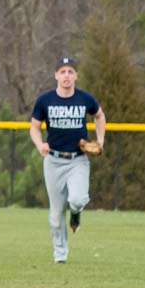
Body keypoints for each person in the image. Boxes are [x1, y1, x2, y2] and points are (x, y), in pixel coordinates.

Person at [29, 56, 107, 264]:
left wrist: (100, 141)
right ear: (56, 75)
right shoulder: (45, 100)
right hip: (53, 161)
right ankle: (60, 255)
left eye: (70, 72)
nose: (66, 76)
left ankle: (75, 213)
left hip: (77, 160)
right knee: (55, 216)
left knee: (77, 199)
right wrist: (40, 145)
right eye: (62, 71)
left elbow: (99, 116)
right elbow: (34, 127)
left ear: (76, 76)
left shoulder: (84, 99)